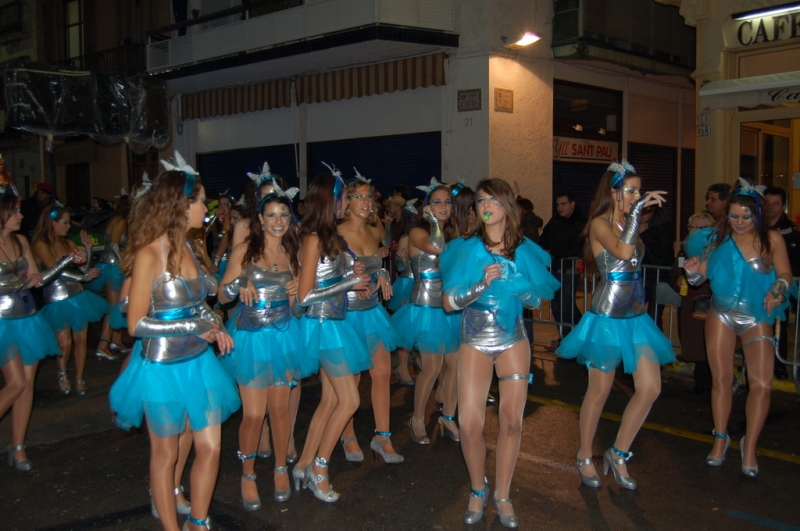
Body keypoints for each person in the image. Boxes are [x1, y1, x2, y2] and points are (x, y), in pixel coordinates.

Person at [109, 156, 241, 531]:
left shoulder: (191, 248)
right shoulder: (150, 253)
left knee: (211, 447)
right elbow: (134, 324)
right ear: (181, 205)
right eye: (201, 201)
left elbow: (201, 305)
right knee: (166, 454)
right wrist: (192, 327)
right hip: (162, 368)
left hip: (198, 363)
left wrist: (214, 326)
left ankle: (198, 523)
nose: (206, 207)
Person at [441, 178, 558, 528]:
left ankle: (503, 494)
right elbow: (448, 303)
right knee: (470, 423)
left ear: (508, 206)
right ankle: (478, 488)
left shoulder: (524, 251)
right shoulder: (466, 248)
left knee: (510, 422)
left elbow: (538, 301)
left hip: (513, 339)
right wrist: (481, 284)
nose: (486, 206)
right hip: (475, 339)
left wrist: (515, 282)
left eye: (493, 199)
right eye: (480, 200)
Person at [556, 160, 675, 490]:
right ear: (614, 191)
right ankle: (583, 454)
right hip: (607, 317)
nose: (636, 197)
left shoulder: (628, 220)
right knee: (600, 390)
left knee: (650, 388)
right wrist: (637, 215)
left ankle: (618, 452)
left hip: (636, 316)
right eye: (631, 191)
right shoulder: (599, 223)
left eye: (638, 190)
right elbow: (623, 252)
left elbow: (638, 260)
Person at [684, 178, 791, 478]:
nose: (740, 221)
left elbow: (785, 274)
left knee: (762, 384)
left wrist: (778, 288)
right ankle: (720, 439)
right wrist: (692, 273)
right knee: (721, 381)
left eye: (746, 216)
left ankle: (750, 445)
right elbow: (700, 276)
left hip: (756, 317)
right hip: (722, 314)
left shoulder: (772, 239)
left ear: (756, 214)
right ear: (726, 215)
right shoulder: (717, 240)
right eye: (734, 216)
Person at [218, 187, 303, 508]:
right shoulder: (244, 251)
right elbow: (222, 296)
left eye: (284, 215)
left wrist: (295, 295)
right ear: (260, 219)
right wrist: (240, 283)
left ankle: (280, 467)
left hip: (283, 339)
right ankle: (248, 473)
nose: (279, 221)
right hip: (250, 340)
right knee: (253, 414)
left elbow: (297, 311)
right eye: (272, 215)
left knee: (280, 410)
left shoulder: (290, 255)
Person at [292, 170, 372, 503]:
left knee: (329, 401)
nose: (345, 204)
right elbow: (305, 296)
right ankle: (320, 469)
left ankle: (303, 464)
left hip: (335, 324)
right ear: (331, 200)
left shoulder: (328, 238)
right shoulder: (312, 239)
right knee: (350, 400)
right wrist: (348, 284)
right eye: (342, 198)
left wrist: (353, 273)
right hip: (322, 327)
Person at [337, 173, 404, 464]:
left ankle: (383, 437)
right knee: (350, 380)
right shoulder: (335, 233)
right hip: (346, 314)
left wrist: (384, 276)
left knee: (381, 374)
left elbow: (378, 263)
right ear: (347, 201)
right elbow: (324, 273)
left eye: (369, 196)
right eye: (358, 196)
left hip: (373, 312)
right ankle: (347, 434)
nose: (365, 202)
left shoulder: (376, 229)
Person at [390, 178, 460, 445]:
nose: (443, 206)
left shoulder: (452, 234)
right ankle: (417, 417)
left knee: (455, 366)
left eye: (447, 202)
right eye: (437, 202)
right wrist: (432, 221)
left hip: (448, 307)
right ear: (427, 207)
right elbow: (438, 249)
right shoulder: (418, 233)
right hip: (427, 308)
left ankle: (448, 416)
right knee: (431, 368)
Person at [0, 184, 61, 472]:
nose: (21, 216)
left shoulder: (22, 241)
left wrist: (35, 276)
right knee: (16, 384)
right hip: (3, 324)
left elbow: (36, 274)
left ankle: (18, 445)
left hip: (28, 317)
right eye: (15, 212)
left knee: (27, 386)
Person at [32, 206, 108, 396]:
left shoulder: (69, 243)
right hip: (56, 298)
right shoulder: (41, 244)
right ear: (52, 223)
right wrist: (81, 277)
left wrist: (89, 250)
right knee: (64, 343)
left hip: (77, 295)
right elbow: (54, 270)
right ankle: (62, 372)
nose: (68, 226)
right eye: (64, 222)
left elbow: (84, 270)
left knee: (81, 339)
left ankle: (79, 377)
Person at [668, 212, 715, 394]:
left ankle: (707, 384)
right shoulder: (684, 250)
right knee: (693, 342)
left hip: (706, 302)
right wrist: (678, 281)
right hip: (688, 301)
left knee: (706, 343)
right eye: (691, 227)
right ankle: (701, 382)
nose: (694, 231)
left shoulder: (713, 250)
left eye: (699, 227)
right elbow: (675, 271)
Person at [540, 190, 586, 347]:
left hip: (568, 269)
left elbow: (575, 247)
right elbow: (544, 239)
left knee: (566, 305)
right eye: (558, 204)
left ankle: (579, 336)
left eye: (563, 204)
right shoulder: (555, 221)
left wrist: (553, 251)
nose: (560, 208)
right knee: (556, 306)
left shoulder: (581, 222)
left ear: (572, 204)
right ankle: (565, 337)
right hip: (554, 269)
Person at [762, 186, 798, 380]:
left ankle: (780, 365)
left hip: (782, 286)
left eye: (776, 203)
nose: (771, 208)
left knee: (779, 324)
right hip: (760, 284)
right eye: (768, 203)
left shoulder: (791, 231)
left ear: (783, 206)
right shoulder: (755, 229)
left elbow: (792, 266)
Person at [93, 194, 131, 361]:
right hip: (113, 267)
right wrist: (125, 263)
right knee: (114, 308)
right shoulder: (120, 220)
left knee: (117, 306)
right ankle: (103, 345)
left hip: (114, 265)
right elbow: (114, 245)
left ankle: (116, 341)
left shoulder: (119, 220)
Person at [388, 199, 420, 385]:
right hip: (408, 283)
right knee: (406, 328)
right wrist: (401, 258)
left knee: (420, 327)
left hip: (422, 284)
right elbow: (400, 266)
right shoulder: (407, 238)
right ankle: (401, 366)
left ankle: (418, 359)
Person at [639, 204, 675, 329]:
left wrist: (645, 233)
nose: (640, 216)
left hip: (659, 276)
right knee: (631, 311)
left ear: (652, 211)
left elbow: (661, 252)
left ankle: (656, 346)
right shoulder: (637, 223)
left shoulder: (665, 225)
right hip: (642, 274)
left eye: (643, 212)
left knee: (654, 316)